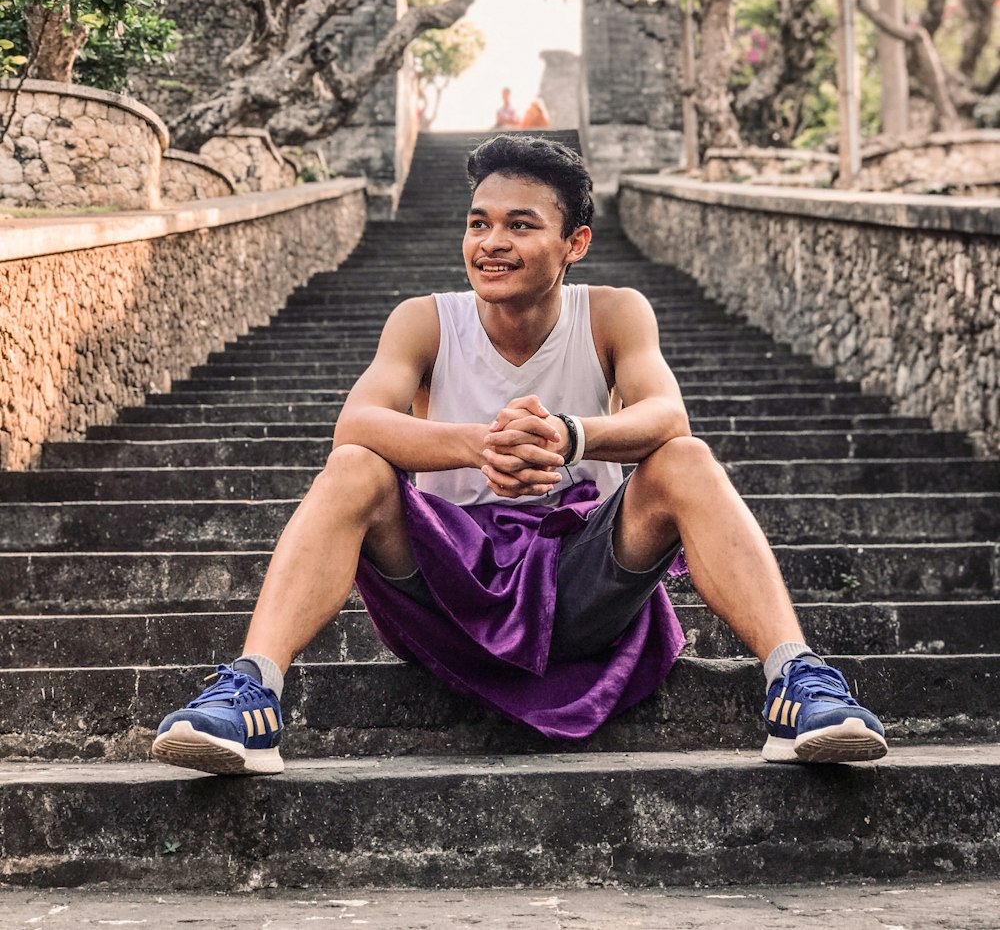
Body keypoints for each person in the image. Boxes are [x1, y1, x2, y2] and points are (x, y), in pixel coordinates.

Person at [152, 135, 888, 775]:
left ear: (575, 243)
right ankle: (252, 690)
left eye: (519, 224)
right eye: (478, 223)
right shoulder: (424, 320)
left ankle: (799, 683)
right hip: (450, 581)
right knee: (354, 466)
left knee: (684, 457)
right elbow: (357, 420)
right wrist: (478, 444)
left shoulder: (615, 312)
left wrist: (573, 434)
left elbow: (669, 413)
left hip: (579, 584)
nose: (490, 242)